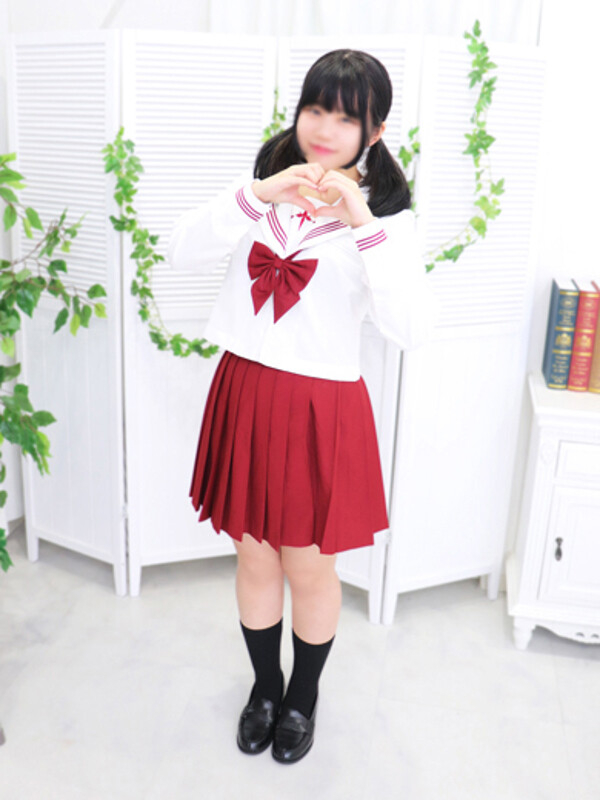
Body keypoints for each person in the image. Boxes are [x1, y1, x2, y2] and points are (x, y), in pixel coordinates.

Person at [167, 48, 438, 764]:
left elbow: (412, 329)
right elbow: (178, 249)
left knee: (311, 568)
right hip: (245, 392)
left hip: (322, 406)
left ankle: (303, 697)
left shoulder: (388, 221)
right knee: (254, 560)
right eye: (315, 109)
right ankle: (264, 688)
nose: (324, 128)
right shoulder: (262, 191)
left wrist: (361, 221)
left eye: (346, 118)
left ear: (374, 132)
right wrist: (260, 193)